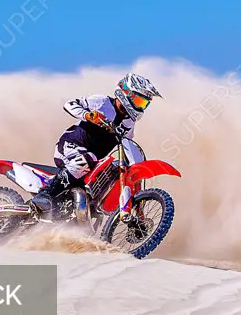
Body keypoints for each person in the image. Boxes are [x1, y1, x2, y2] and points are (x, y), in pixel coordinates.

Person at [29, 72, 162, 219]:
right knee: (88, 158)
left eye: (144, 103)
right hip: (70, 146)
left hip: (92, 162)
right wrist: (88, 115)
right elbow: (70, 104)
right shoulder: (103, 102)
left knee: (110, 172)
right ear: (126, 93)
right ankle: (45, 194)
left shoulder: (129, 123)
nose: (140, 106)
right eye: (138, 101)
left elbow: (127, 143)